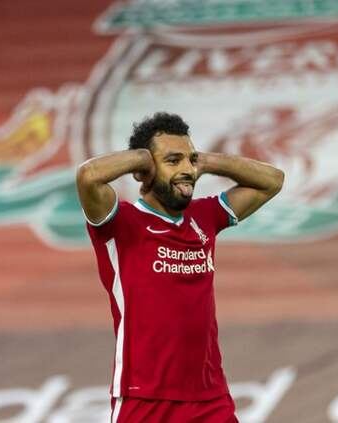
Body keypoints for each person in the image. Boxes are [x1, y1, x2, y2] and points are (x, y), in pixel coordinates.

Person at [75, 112, 284, 423]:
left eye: (189, 160)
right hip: (145, 399)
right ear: (143, 171)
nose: (186, 170)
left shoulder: (205, 216)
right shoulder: (121, 224)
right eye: (173, 161)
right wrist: (142, 158)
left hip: (210, 399)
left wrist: (206, 161)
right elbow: (88, 176)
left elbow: (272, 181)